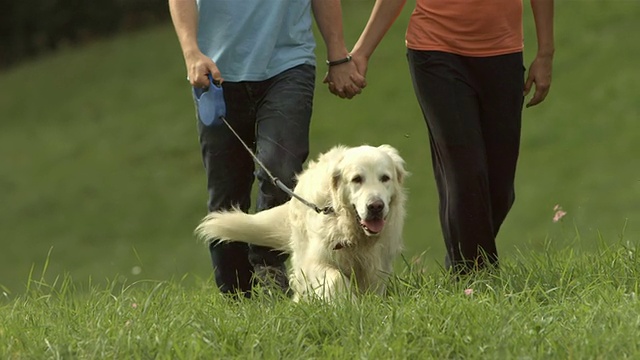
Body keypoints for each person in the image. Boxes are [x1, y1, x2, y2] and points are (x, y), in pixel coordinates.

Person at [168, 0, 366, 297]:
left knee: (281, 170)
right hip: (216, 74)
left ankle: (270, 276)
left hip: (288, 66)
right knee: (226, 193)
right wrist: (191, 52)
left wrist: (338, 55)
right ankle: (236, 298)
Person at [341, 0, 554, 273]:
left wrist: (546, 53)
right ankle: (476, 279)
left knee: (500, 190)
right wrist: (362, 53)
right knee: (465, 174)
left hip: (503, 54)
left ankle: (461, 263)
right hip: (435, 52)